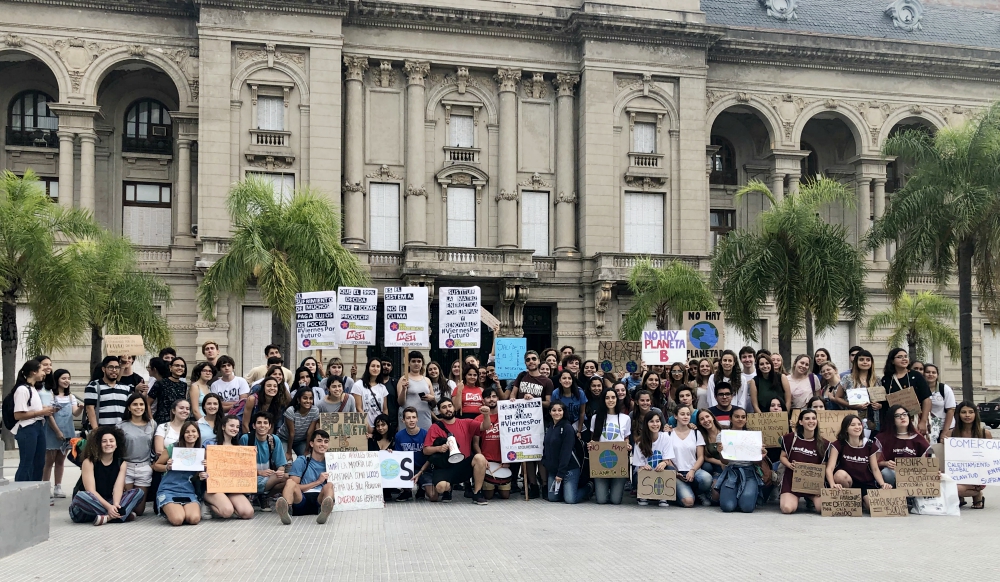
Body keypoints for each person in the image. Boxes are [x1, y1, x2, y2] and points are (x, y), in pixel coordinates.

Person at [68, 425, 144, 525]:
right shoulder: (89, 462)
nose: (108, 444)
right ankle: (118, 516)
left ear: (117, 444)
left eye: (111, 441)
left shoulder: (121, 463)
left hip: (108, 502)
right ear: (98, 444)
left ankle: (108, 517)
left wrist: (116, 505)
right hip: (86, 508)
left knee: (138, 492)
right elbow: (90, 490)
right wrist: (109, 507)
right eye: (104, 441)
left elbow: (118, 488)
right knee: (81, 496)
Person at [422, 398, 491, 504]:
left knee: (480, 458)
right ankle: (448, 489)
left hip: (463, 464)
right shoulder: (435, 427)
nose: (448, 409)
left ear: (454, 408)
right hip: (445, 466)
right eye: (444, 407)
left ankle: (477, 493)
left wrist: (486, 415)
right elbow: (426, 450)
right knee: (441, 487)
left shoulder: (466, 423)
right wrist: (438, 448)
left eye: (450, 406)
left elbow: (485, 426)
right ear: (440, 411)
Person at [826, 414, 893, 511]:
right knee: (840, 475)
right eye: (852, 425)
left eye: (859, 424)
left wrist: (883, 484)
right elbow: (830, 468)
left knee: (874, 508)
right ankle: (850, 499)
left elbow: (875, 469)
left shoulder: (869, 445)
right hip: (848, 482)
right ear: (846, 429)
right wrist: (832, 484)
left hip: (865, 482)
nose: (857, 427)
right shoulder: (839, 444)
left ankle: (862, 500)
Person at [152, 420, 207, 526]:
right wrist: (167, 467)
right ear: (182, 434)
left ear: (198, 434)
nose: (190, 434)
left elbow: (198, 477)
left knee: (194, 519)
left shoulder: (201, 451)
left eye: (193, 431)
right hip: (169, 489)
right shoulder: (173, 448)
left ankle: (180, 510)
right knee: (177, 520)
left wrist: (202, 474)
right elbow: (156, 466)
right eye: (187, 432)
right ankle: (168, 510)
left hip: (188, 490)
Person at [714, 407, 769, 513]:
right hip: (732, 472)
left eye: (743, 417)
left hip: (749, 472)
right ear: (730, 418)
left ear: (746, 419)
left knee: (747, 508)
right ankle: (735, 495)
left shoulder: (753, 436)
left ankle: (746, 495)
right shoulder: (723, 436)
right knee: (727, 507)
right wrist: (720, 452)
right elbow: (724, 462)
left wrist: (760, 456)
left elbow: (756, 462)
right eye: (737, 416)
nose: (740, 419)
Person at [275, 430, 336, 524]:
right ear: (312, 443)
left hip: (320, 500)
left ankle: (325, 512)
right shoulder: (302, 461)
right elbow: (294, 486)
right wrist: (317, 482)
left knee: (329, 485)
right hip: (301, 498)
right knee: (290, 482)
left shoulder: (332, 462)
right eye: (319, 441)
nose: (323, 444)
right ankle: (287, 510)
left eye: (326, 441)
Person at [203, 415, 255, 519]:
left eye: (237, 427)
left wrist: (251, 457)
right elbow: (201, 466)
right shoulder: (210, 444)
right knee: (227, 512)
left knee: (248, 513)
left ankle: (227, 502)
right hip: (213, 488)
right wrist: (205, 464)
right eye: (231, 425)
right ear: (223, 427)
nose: (234, 429)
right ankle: (206, 503)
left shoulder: (239, 448)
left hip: (232, 488)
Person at [11, 360, 54, 482]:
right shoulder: (22, 390)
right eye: (41, 370)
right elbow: (18, 414)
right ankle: (20, 490)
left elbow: (31, 408)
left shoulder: (33, 388)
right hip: (27, 428)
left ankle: (35, 490)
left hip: (38, 426)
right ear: (33, 372)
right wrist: (41, 412)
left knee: (39, 463)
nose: (43, 373)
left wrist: (45, 409)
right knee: (26, 463)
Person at [588, 386, 631, 505]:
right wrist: (591, 445)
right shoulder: (596, 418)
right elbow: (594, 438)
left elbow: (626, 438)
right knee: (601, 500)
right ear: (603, 400)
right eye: (607, 398)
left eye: (613, 397)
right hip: (601, 461)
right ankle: (593, 486)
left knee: (616, 501)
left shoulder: (625, 418)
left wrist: (627, 445)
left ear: (617, 399)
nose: (610, 400)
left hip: (619, 461)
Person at [43, 369, 82, 497]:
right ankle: (45, 486)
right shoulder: (51, 396)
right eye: (63, 378)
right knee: (49, 461)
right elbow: (50, 416)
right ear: (57, 380)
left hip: (67, 432)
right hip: (53, 432)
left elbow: (75, 413)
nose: (67, 381)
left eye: (68, 378)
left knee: (60, 460)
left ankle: (58, 487)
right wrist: (57, 431)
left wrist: (81, 408)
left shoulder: (71, 397)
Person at [779, 409, 826, 514]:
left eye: (814, 418)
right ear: (800, 422)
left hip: (813, 484)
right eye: (807, 418)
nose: (811, 421)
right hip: (791, 481)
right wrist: (789, 465)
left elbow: (824, 465)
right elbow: (782, 457)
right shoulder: (790, 438)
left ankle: (810, 498)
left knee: (824, 509)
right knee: (787, 509)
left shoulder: (824, 443)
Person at [239, 411, 288, 511]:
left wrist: (279, 471)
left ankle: (264, 496)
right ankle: (252, 495)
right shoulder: (246, 439)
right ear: (253, 425)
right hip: (249, 478)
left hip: (268, 478)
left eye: (265, 423)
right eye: (259, 423)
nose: (262, 426)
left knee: (288, 478)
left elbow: (281, 464)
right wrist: (259, 472)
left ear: (270, 426)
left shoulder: (274, 440)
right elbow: (240, 468)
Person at [117, 393, 156, 515]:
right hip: (126, 467)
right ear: (129, 407)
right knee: (127, 505)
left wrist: (152, 465)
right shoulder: (121, 426)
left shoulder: (152, 424)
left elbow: (155, 447)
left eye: (141, 404)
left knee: (139, 510)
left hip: (144, 467)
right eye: (134, 404)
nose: (138, 407)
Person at [878, 348, 932, 435]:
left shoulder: (916, 376)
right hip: (894, 421)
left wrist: (923, 421)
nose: (904, 359)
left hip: (915, 419)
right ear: (892, 361)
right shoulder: (886, 379)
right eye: (899, 357)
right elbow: (885, 403)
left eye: (906, 356)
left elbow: (927, 399)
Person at [667, 406, 712, 507]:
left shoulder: (696, 433)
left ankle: (698, 493)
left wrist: (692, 470)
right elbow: (667, 457)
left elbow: (700, 457)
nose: (685, 417)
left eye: (688, 414)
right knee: (688, 503)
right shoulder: (669, 434)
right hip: (677, 473)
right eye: (682, 414)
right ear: (675, 416)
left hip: (694, 470)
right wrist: (675, 472)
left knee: (706, 478)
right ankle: (673, 497)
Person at [874, 405, 930, 487]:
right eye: (897, 416)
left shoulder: (919, 440)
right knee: (887, 473)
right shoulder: (882, 438)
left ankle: (910, 498)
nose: (902, 417)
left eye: (905, 414)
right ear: (891, 420)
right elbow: (874, 464)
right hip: (891, 477)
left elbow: (926, 464)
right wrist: (885, 463)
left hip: (912, 477)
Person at [541, 402, 585, 504]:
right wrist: (545, 462)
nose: (557, 413)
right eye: (554, 410)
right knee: (552, 498)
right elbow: (546, 446)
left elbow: (566, 452)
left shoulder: (567, 427)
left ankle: (588, 488)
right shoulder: (549, 427)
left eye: (560, 410)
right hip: (554, 470)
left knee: (570, 499)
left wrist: (561, 473)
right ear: (550, 412)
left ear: (564, 412)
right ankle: (564, 490)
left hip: (570, 468)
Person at [470, 387, 510, 500]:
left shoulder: (507, 415)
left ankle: (499, 485)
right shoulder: (478, 419)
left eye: (494, 396)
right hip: (488, 462)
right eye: (488, 397)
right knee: (488, 496)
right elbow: (475, 443)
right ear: (483, 401)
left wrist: (508, 460)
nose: (491, 399)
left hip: (503, 462)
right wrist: (483, 460)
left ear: (498, 398)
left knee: (505, 496)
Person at [950, 401, 991, 508]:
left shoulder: (984, 433)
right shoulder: (951, 434)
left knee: (956, 489)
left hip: (978, 474)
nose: (967, 415)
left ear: (975, 414)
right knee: (949, 487)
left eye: (971, 412)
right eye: (963, 412)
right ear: (958, 414)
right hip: (957, 472)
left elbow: (990, 456)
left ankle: (977, 494)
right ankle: (960, 497)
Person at [631, 410, 675, 508]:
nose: (655, 424)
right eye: (651, 421)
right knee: (641, 473)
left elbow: (667, 459)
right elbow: (639, 464)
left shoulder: (665, 437)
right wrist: (644, 467)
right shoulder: (639, 441)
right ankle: (643, 495)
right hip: (645, 472)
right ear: (646, 424)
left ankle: (663, 496)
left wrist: (663, 463)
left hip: (660, 471)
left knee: (670, 470)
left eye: (657, 421)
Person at [394, 407, 432, 502]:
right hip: (407, 469)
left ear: (417, 419)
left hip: (423, 469)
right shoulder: (399, 436)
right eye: (408, 418)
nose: (411, 420)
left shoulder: (425, 434)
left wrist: (421, 472)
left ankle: (422, 488)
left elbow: (430, 457)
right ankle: (406, 491)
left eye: (413, 417)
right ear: (403, 420)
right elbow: (398, 457)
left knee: (433, 496)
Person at [85, 356, 133, 428]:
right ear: (103, 369)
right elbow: (90, 408)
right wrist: (96, 430)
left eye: (117, 367)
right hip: (102, 430)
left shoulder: (126, 388)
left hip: (122, 430)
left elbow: (131, 408)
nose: (114, 370)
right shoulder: (93, 386)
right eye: (111, 367)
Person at [836, 348, 879, 426]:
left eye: (868, 360)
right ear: (856, 362)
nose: (865, 362)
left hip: (874, 419)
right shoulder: (847, 378)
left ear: (871, 362)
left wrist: (879, 405)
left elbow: (882, 399)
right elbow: (838, 397)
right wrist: (851, 405)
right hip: (853, 419)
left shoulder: (877, 379)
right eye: (861, 360)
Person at [396, 350, 435, 430]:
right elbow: (400, 402)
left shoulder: (427, 380)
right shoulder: (403, 379)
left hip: (425, 417)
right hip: (408, 419)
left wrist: (431, 399)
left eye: (419, 361)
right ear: (409, 363)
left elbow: (434, 403)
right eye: (413, 361)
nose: (416, 363)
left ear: (422, 363)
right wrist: (404, 389)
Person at [279, 388, 319, 456]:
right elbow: (291, 434)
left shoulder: (315, 410)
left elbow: (310, 433)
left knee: (307, 458)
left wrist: (306, 450)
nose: (308, 401)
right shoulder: (291, 411)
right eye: (305, 398)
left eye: (311, 398)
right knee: (287, 462)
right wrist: (289, 452)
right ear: (298, 400)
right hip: (285, 438)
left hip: (300, 441)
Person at [923, 363, 956, 442]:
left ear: (937, 375)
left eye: (934, 372)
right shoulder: (919, 389)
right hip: (926, 428)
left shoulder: (944, 389)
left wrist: (944, 433)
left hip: (944, 427)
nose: (931, 374)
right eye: (928, 372)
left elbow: (951, 410)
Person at [150, 357, 188, 425]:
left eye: (182, 366)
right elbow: (147, 403)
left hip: (178, 422)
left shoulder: (183, 385)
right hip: (162, 422)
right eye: (177, 365)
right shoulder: (160, 383)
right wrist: (151, 420)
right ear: (170, 367)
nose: (180, 368)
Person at [550, 370, 588, 436]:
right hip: (562, 423)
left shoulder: (580, 393)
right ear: (560, 380)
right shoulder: (555, 393)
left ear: (572, 380)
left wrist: (579, 431)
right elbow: (553, 411)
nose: (567, 380)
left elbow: (582, 413)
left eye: (569, 378)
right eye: (564, 378)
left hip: (578, 422)